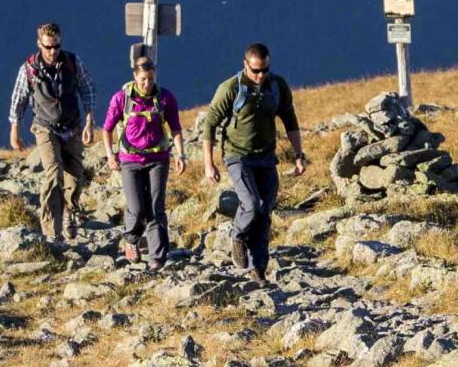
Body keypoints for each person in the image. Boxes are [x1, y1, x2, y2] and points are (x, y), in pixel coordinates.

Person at [201, 41, 306, 282]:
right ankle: (237, 237)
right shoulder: (230, 88)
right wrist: (209, 163)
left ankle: (258, 268)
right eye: (256, 70)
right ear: (245, 64)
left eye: (265, 70)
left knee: (265, 211)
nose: (260, 75)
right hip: (238, 156)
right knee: (250, 202)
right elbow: (210, 124)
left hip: (267, 157)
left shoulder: (277, 86)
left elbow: (290, 120)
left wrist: (299, 155)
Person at [6, 22, 95, 248]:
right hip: (45, 126)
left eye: (56, 46)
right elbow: (19, 99)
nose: (53, 51)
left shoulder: (73, 63)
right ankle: (51, 230)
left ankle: (69, 213)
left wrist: (89, 120)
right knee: (53, 173)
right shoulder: (29, 69)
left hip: (72, 126)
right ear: (39, 44)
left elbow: (88, 89)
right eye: (48, 47)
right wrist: (14, 129)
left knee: (75, 178)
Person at [102, 46, 183, 267]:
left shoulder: (165, 98)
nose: (147, 84)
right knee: (137, 208)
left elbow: (175, 128)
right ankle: (131, 239)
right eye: (142, 79)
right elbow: (107, 129)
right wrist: (110, 155)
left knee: (156, 206)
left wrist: (181, 154)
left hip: (158, 159)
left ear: (155, 74)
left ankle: (157, 258)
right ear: (135, 77)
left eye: (150, 78)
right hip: (130, 161)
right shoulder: (121, 99)